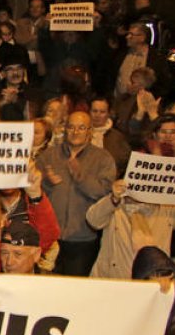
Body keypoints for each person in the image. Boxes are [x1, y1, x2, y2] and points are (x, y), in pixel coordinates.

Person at [36, 110, 115, 276]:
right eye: (71, 127)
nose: (75, 132)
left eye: (81, 128)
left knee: (75, 291)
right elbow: (33, 192)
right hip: (50, 238)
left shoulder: (102, 158)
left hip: (83, 238)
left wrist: (81, 177)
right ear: (65, 130)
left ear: (90, 131)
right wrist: (47, 183)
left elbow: (105, 194)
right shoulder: (48, 156)